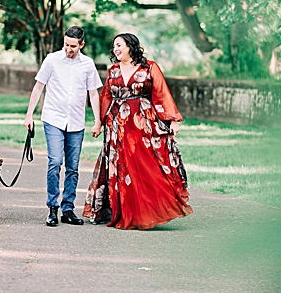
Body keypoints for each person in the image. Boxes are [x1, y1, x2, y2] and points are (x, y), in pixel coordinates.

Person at [83, 33, 192, 230]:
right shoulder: (113, 70)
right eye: (114, 46)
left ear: (130, 46)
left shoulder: (149, 67)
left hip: (143, 124)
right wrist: (98, 123)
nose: (115, 49)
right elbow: (106, 97)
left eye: (119, 45)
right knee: (123, 168)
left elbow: (161, 93)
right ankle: (127, 213)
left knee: (144, 166)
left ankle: (150, 210)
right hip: (117, 126)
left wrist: (173, 120)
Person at [25, 26, 103, 227]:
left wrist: (97, 121)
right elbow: (38, 86)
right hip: (53, 119)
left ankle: (68, 208)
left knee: (73, 167)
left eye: (73, 46)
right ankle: (52, 208)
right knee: (54, 162)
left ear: (81, 45)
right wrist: (29, 115)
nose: (68, 49)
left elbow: (93, 93)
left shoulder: (87, 64)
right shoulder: (51, 59)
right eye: (66, 44)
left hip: (76, 122)